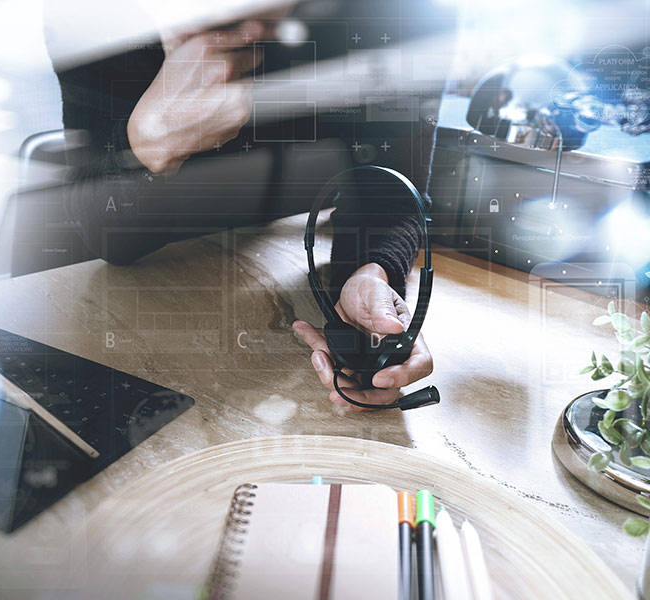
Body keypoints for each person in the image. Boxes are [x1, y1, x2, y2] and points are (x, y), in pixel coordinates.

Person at [44, 1, 453, 410]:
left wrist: (371, 271)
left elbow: (390, 192)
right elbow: (106, 236)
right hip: (127, 318)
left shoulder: (412, 14)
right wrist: (141, 146)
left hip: (273, 344)